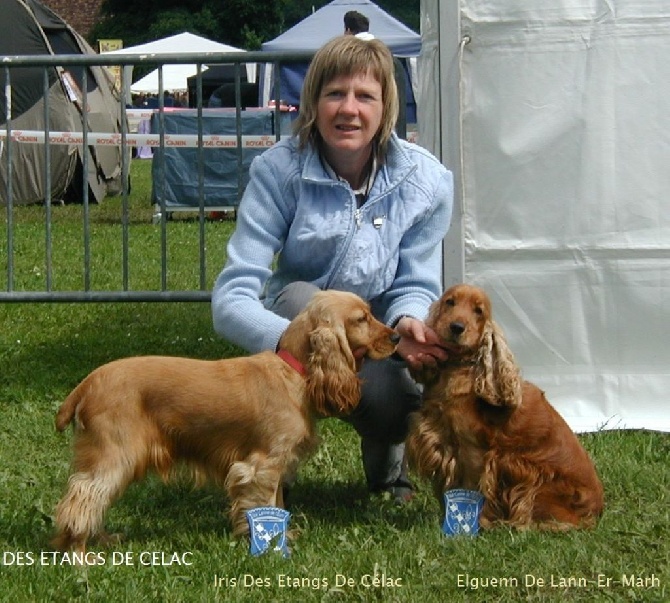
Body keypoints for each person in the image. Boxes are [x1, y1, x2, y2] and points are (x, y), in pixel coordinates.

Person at [211, 35, 453, 503]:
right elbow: (231, 299)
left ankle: (388, 473)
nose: (349, 109)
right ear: (312, 103)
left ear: (387, 108)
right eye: (334, 94)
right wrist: (295, 344)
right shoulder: (277, 171)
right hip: (299, 316)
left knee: (401, 400)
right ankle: (275, 458)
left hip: (374, 326)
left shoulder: (427, 181)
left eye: (365, 96)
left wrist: (406, 321)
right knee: (311, 303)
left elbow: (417, 281)